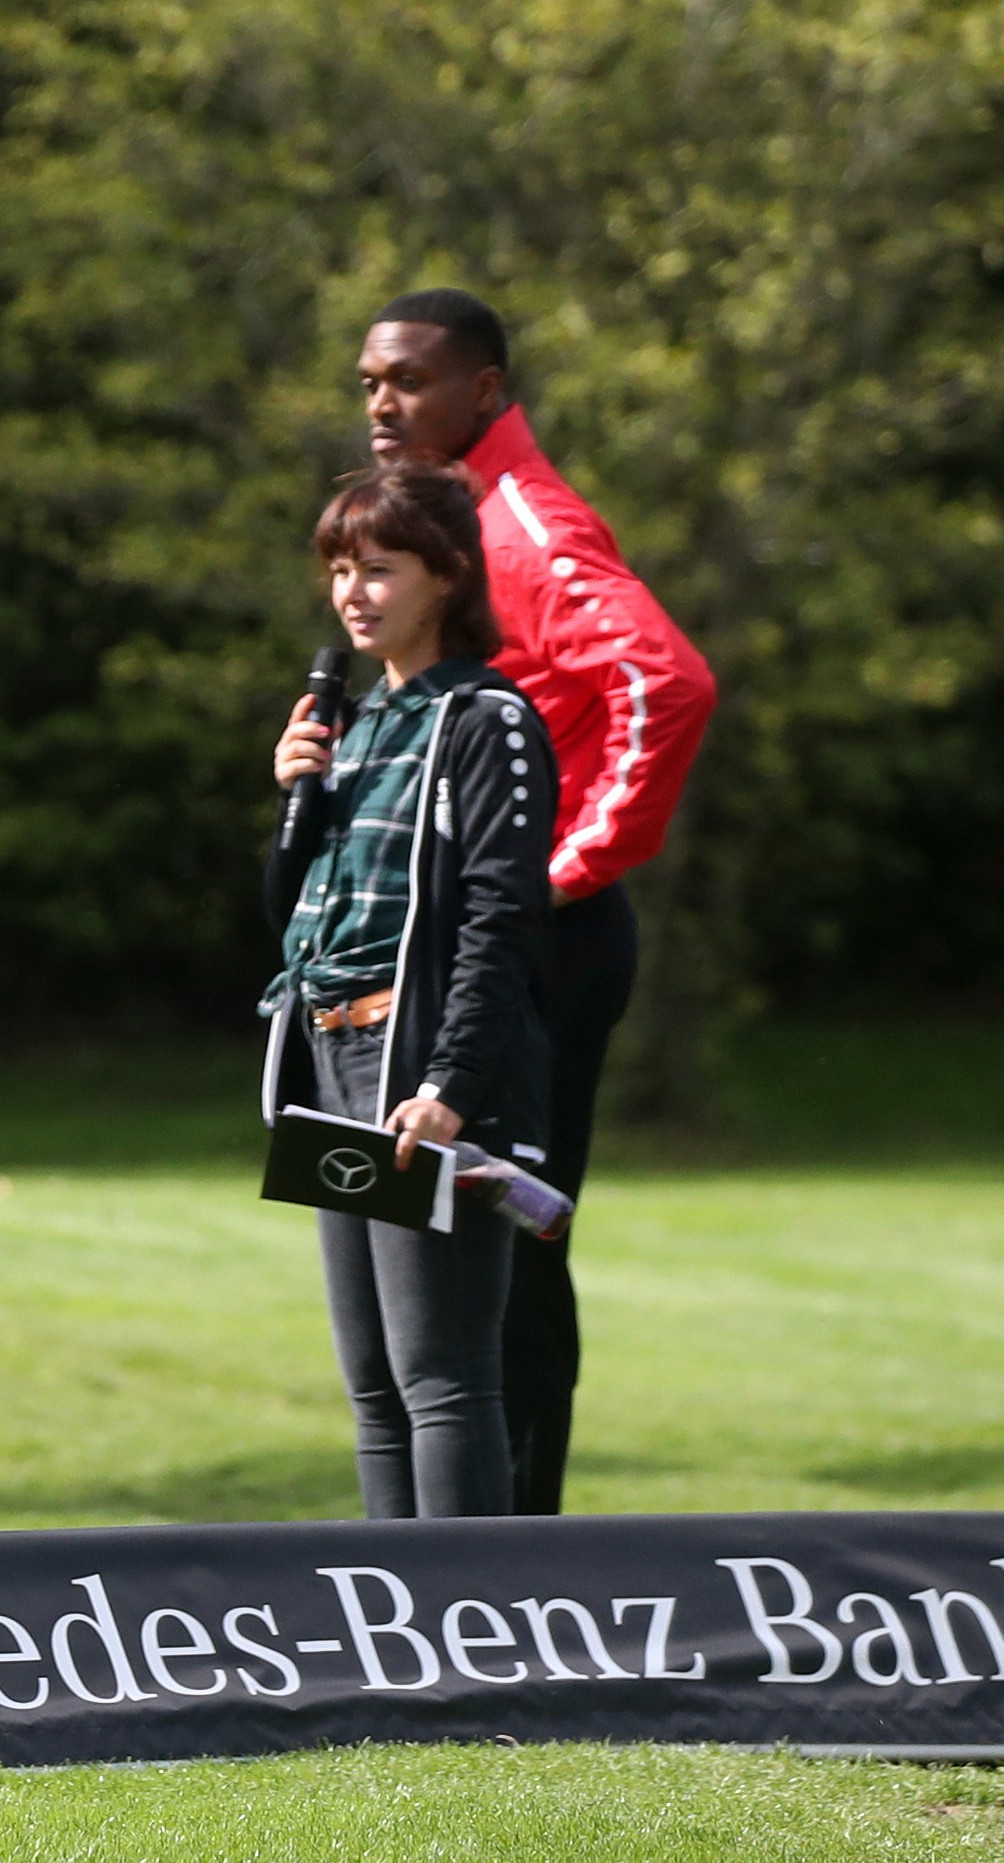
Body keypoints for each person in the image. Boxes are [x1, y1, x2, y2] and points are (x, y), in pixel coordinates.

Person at [358, 287, 716, 1513]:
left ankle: (514, 1571)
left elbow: (664, 686)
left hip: (538, 942)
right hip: (466, 948)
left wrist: (566, 871)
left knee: (505, 1247)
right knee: (453, 1259)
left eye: (408, 380)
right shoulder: (448, 522)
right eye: (368, 383)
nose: (382, 404)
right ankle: (457, 1564)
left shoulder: (528, 521)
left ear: (487, 392)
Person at [261, 463, 556, 1521]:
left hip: (418, 1071)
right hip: (334, 1064)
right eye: (339, 569)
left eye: (378, 568)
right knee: (375, 1390)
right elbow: (299, 923)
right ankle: (393, 1644)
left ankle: (465, 1648)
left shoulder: (486, 720)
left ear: (445, 576)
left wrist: (451, 1084)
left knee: (442, 1385)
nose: (353, 592)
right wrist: (298, 795)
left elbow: (500, 917)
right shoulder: (354, 726)